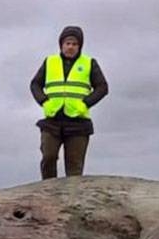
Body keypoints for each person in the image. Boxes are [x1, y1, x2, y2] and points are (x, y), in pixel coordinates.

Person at [29, 26, 108, 179]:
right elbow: (35, 84)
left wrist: (85, 104)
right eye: (67, 43)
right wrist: (44, 101)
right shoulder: (50, 61)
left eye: (74, 44)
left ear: (79, 46)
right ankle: (48, 191)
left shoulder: (89, 63)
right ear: (61, 45)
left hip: (78, 122)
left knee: (74, 169)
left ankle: (71, 200)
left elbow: (102, 87)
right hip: (52, 120)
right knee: (48, 156)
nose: (70, 47)